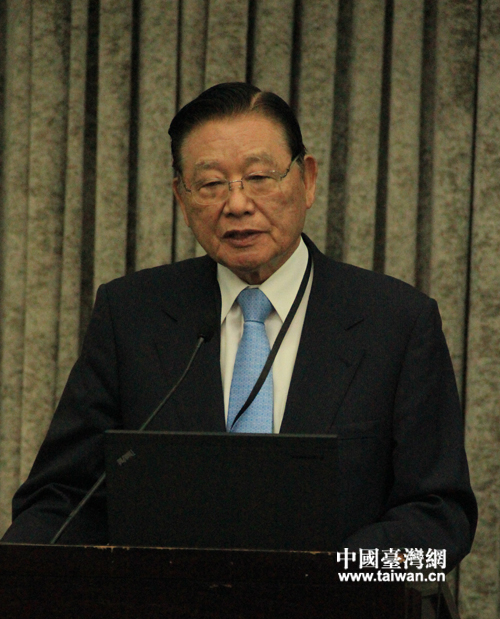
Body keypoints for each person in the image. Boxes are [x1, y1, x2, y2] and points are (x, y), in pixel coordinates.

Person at [1, 83, 476, 569]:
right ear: (182, 198)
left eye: (259, 177)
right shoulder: (132, 315)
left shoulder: (396, 322)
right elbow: (61, 498)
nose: (237, 203)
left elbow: (441, 517)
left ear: (307, 180)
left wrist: (332, 578)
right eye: (211, 184)